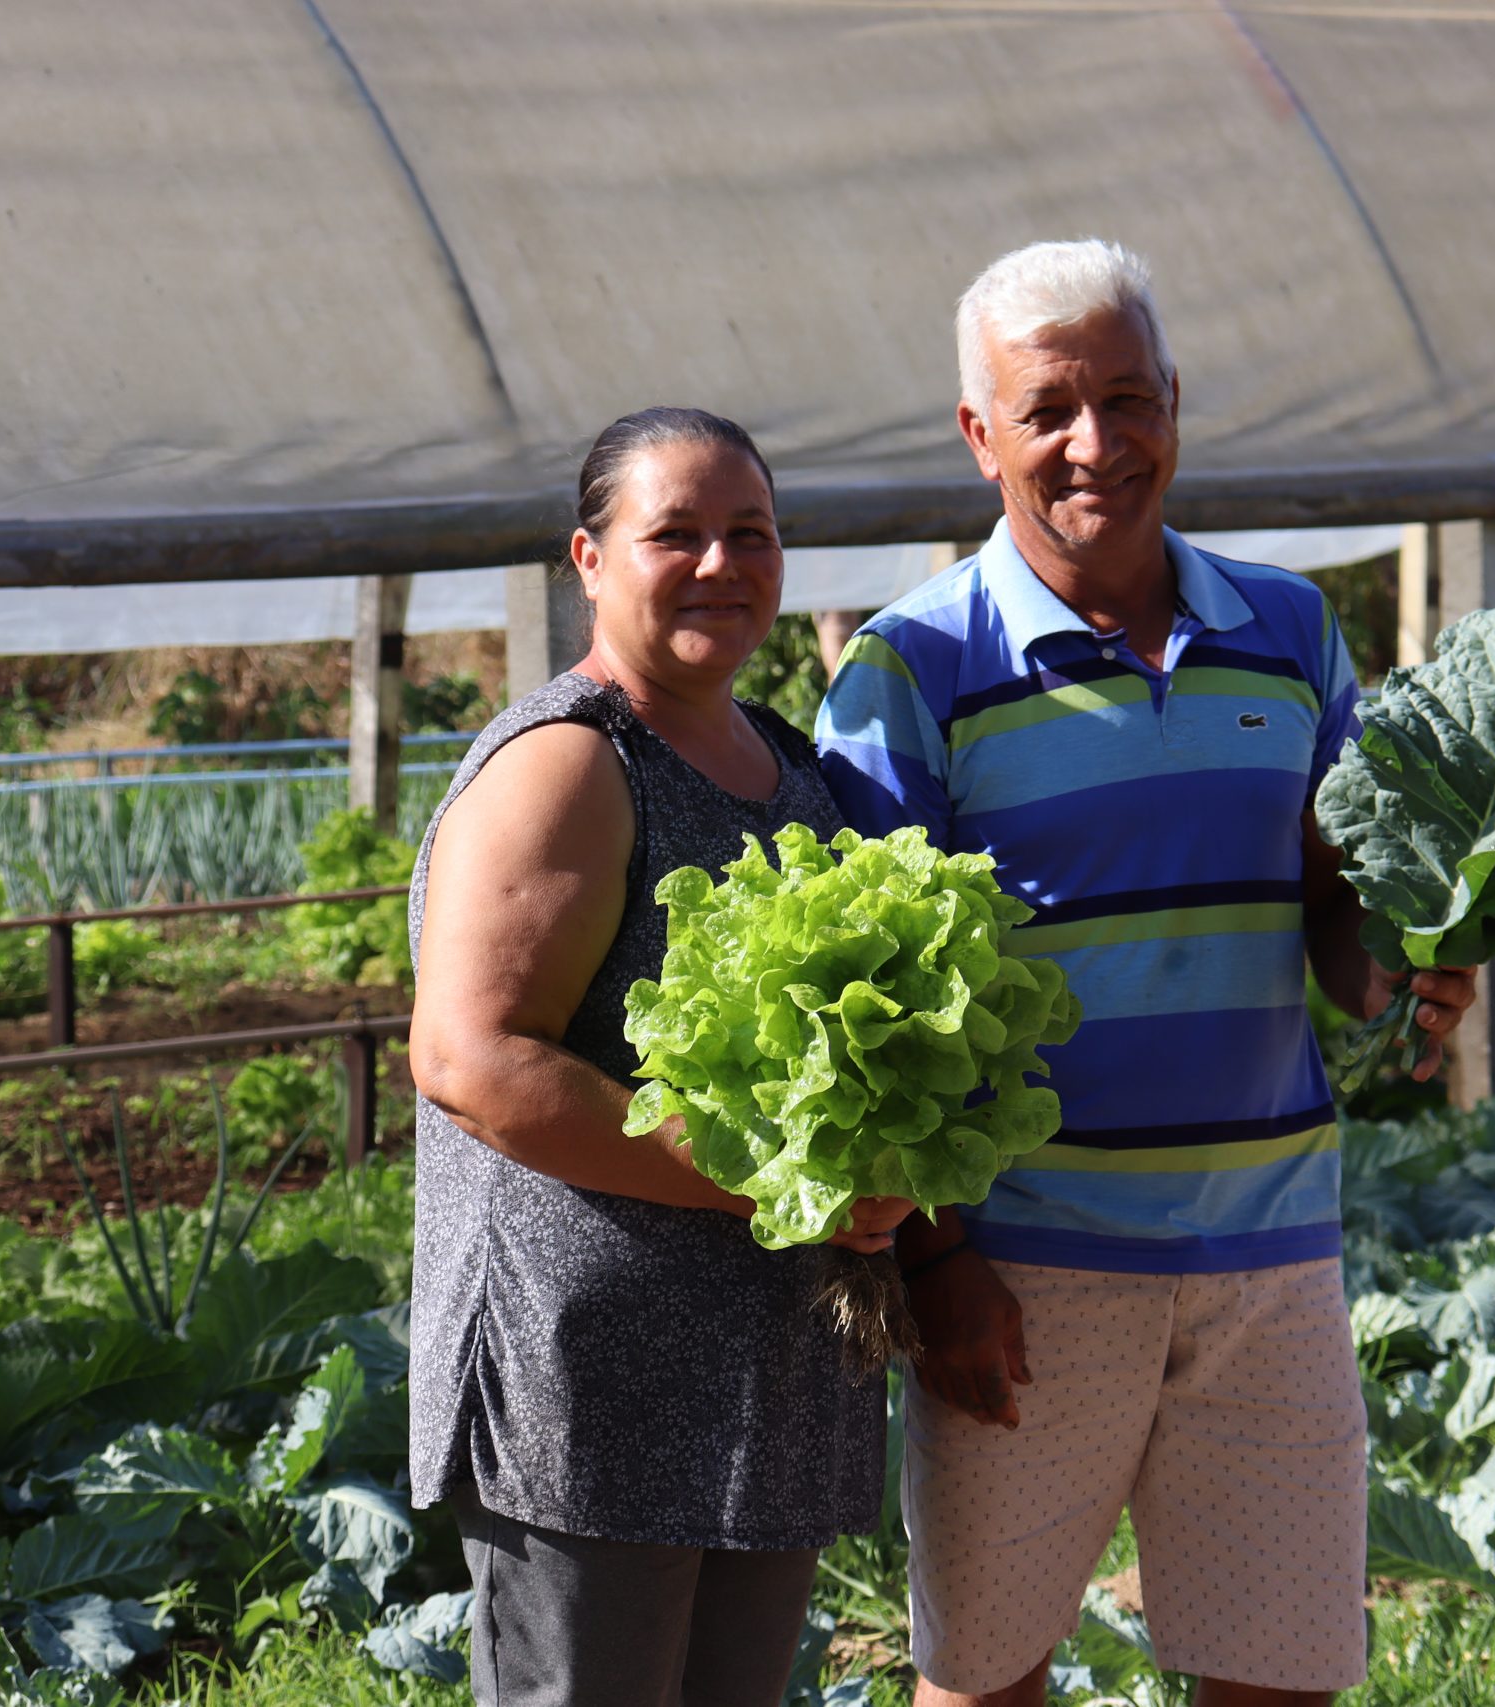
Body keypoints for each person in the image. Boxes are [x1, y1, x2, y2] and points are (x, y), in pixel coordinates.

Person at [814, 240, 1482, 1707]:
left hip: (1273, 1255)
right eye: (1049, 409)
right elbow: (863, 1022)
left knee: (1279, 1673)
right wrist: (939, 1261)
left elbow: (1327, 896)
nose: (1095, 445)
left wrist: (1405, 968)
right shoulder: (909, 670)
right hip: (1030, 1268)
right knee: (987, 1678)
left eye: (1128, 399)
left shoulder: (1290, 629)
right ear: (978, 437)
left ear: (1176, 402)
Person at [407, 406, 910, 1707]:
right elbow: (473, 1060)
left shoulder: (789, 769)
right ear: (588, 558)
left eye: (751, 533)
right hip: (594, 1385)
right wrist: (769, 1180)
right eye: (672, 533)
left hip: (761, 1383)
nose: (718, 564)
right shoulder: (570, 764)